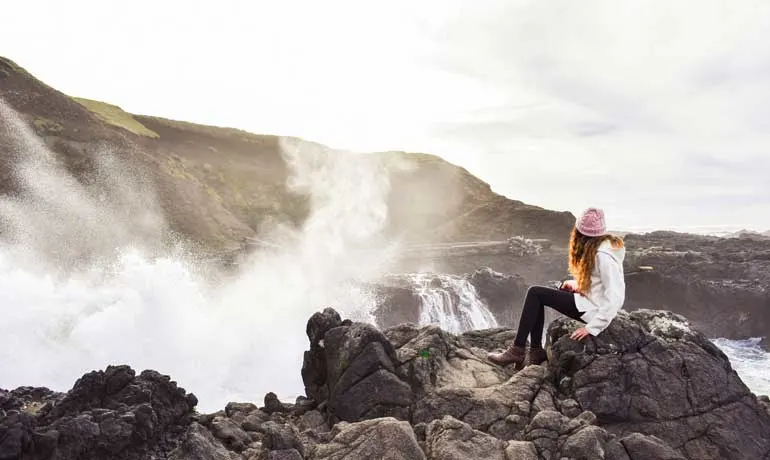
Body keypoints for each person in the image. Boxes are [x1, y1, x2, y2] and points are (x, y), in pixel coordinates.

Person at [487, 207, 626, 368]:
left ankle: (518, 351)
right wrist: (576, 285)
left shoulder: (603, 256)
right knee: (538, 296)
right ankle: (535, 352)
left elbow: (616, 296)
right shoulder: (601, 247)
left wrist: (592, 328)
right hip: (590, 302)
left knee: (535, 293)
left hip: (594, 310)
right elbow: (598, 284)